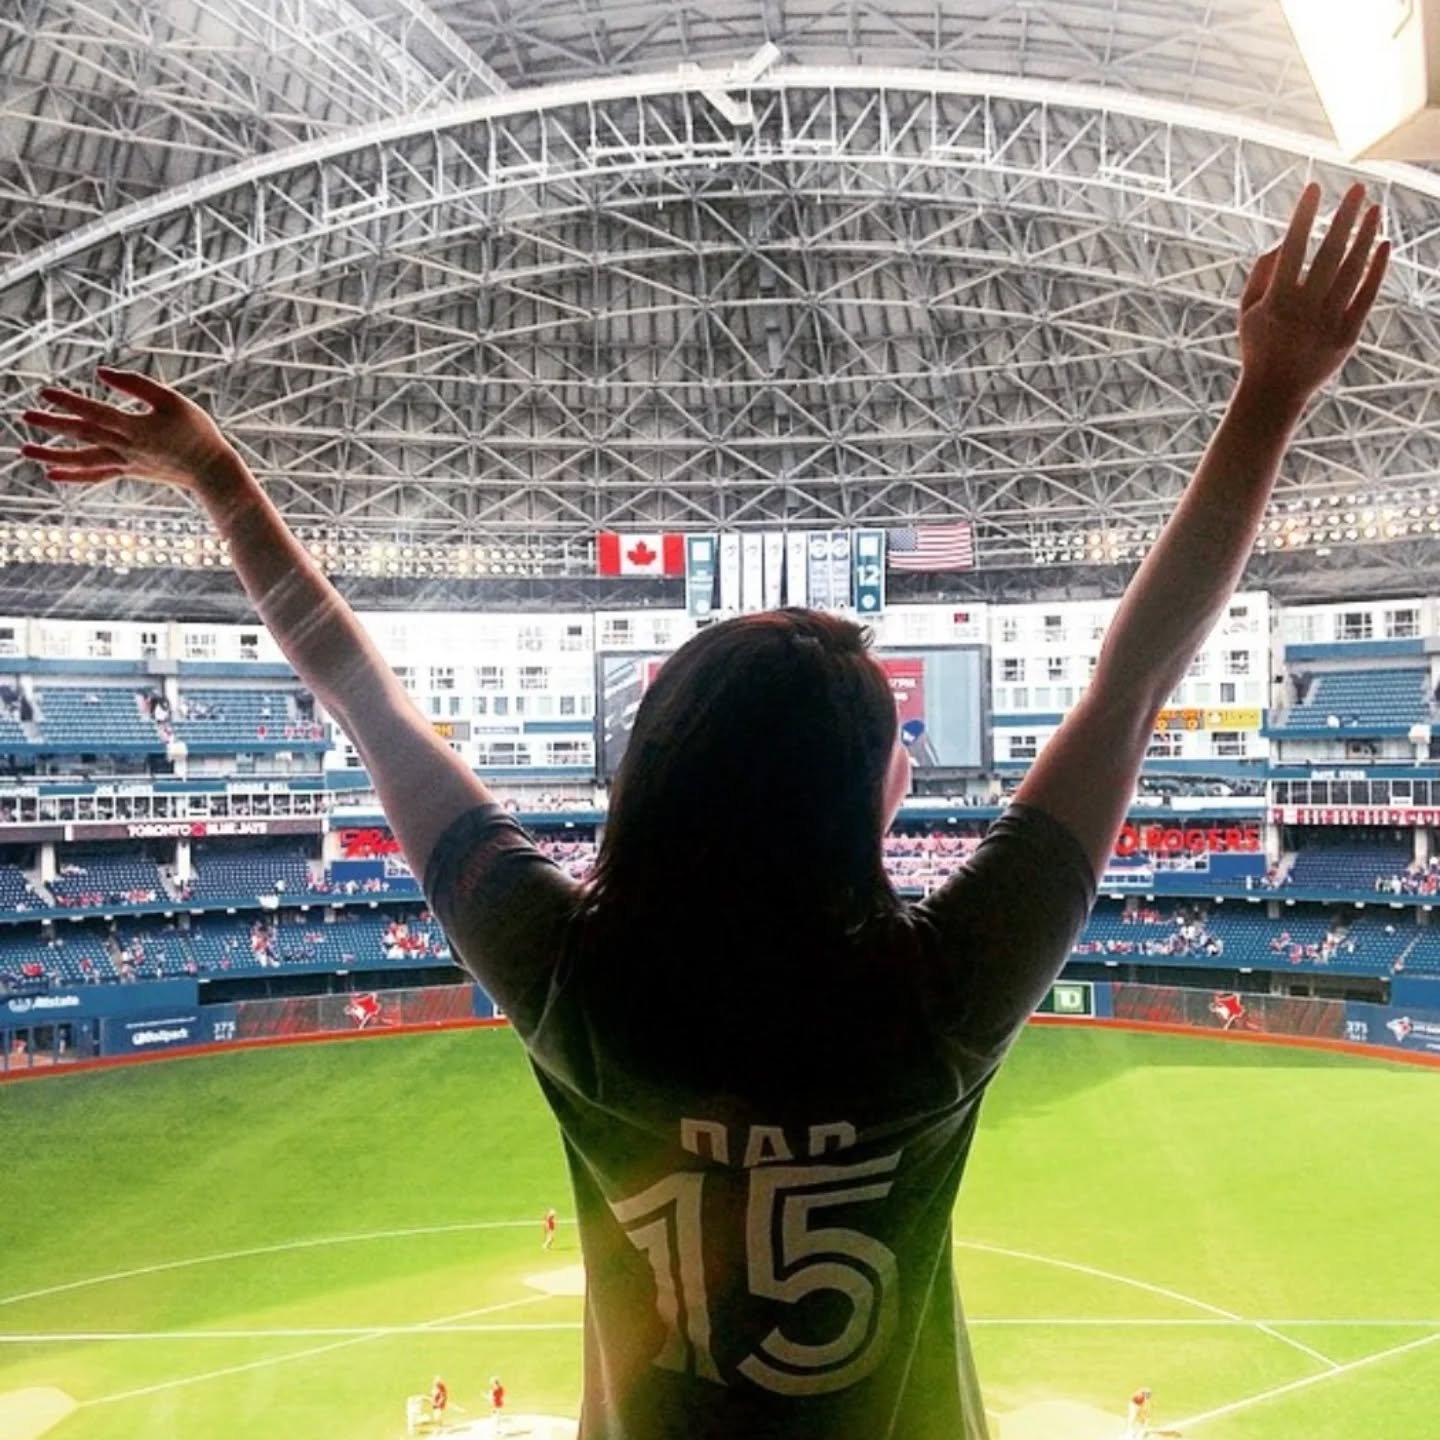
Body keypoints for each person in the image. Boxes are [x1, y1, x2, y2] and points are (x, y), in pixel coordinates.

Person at [20, 183, 1388, 1440]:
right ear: (867, 794)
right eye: (894, 741)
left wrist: (216, 476)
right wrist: (1269, 395)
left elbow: (356, 688)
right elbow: (1135, 681)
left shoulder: (576, 983)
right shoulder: (937, 996)